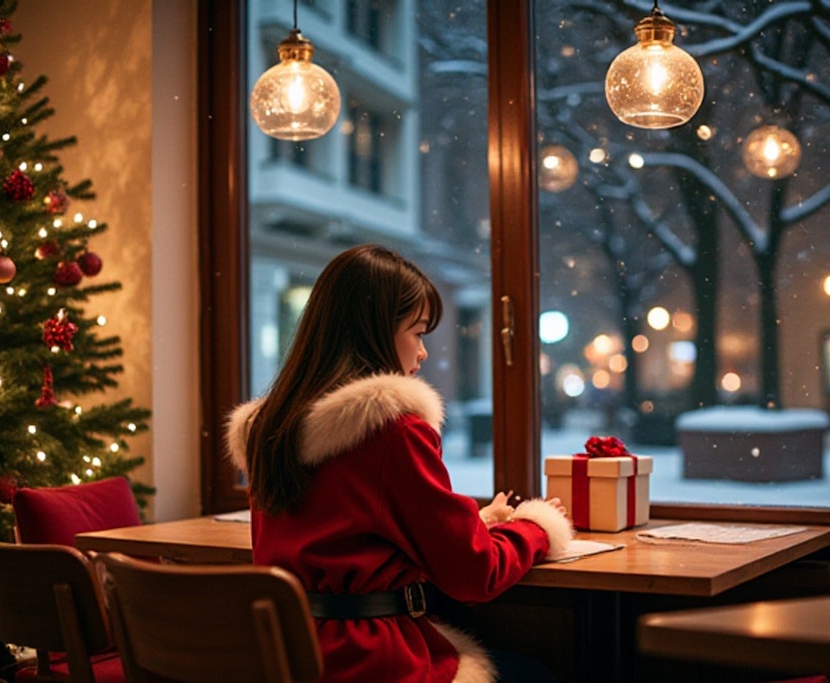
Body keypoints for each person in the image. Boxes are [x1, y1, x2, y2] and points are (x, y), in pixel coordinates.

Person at [226, 244, 571, 683]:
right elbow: (475, 574)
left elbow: (350, 538)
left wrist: (476, 523)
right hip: (373, 660)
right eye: (418, 332)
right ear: (375, 332)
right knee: (541, 672)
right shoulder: (392, 431)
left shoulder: (271, 430)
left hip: (292, 654)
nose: (423, 352)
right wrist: (536, 526)